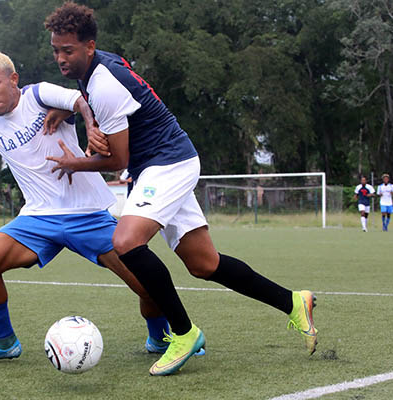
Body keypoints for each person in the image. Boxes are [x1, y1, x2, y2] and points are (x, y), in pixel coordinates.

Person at [45, 2, 317, 376]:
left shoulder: (103, 83)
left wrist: (75, 163)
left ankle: (185, 333)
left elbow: (117, 161)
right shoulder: (95, 69)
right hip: (161, 164)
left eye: (68, 50)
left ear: (89, 46)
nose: (60, 58)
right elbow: (106, 107)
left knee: (125, 241)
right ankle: (293, 302)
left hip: (167, 163)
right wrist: (79, 113)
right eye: (56, 50)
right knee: (205, 264)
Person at [0, 51, 176, 364]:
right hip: (38, 218)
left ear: (13, 79)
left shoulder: (39, 94)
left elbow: (81, 101)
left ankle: (160, 337)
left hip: (88, 214)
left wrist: (91, 127)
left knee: (147, 283)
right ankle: (3, 343)